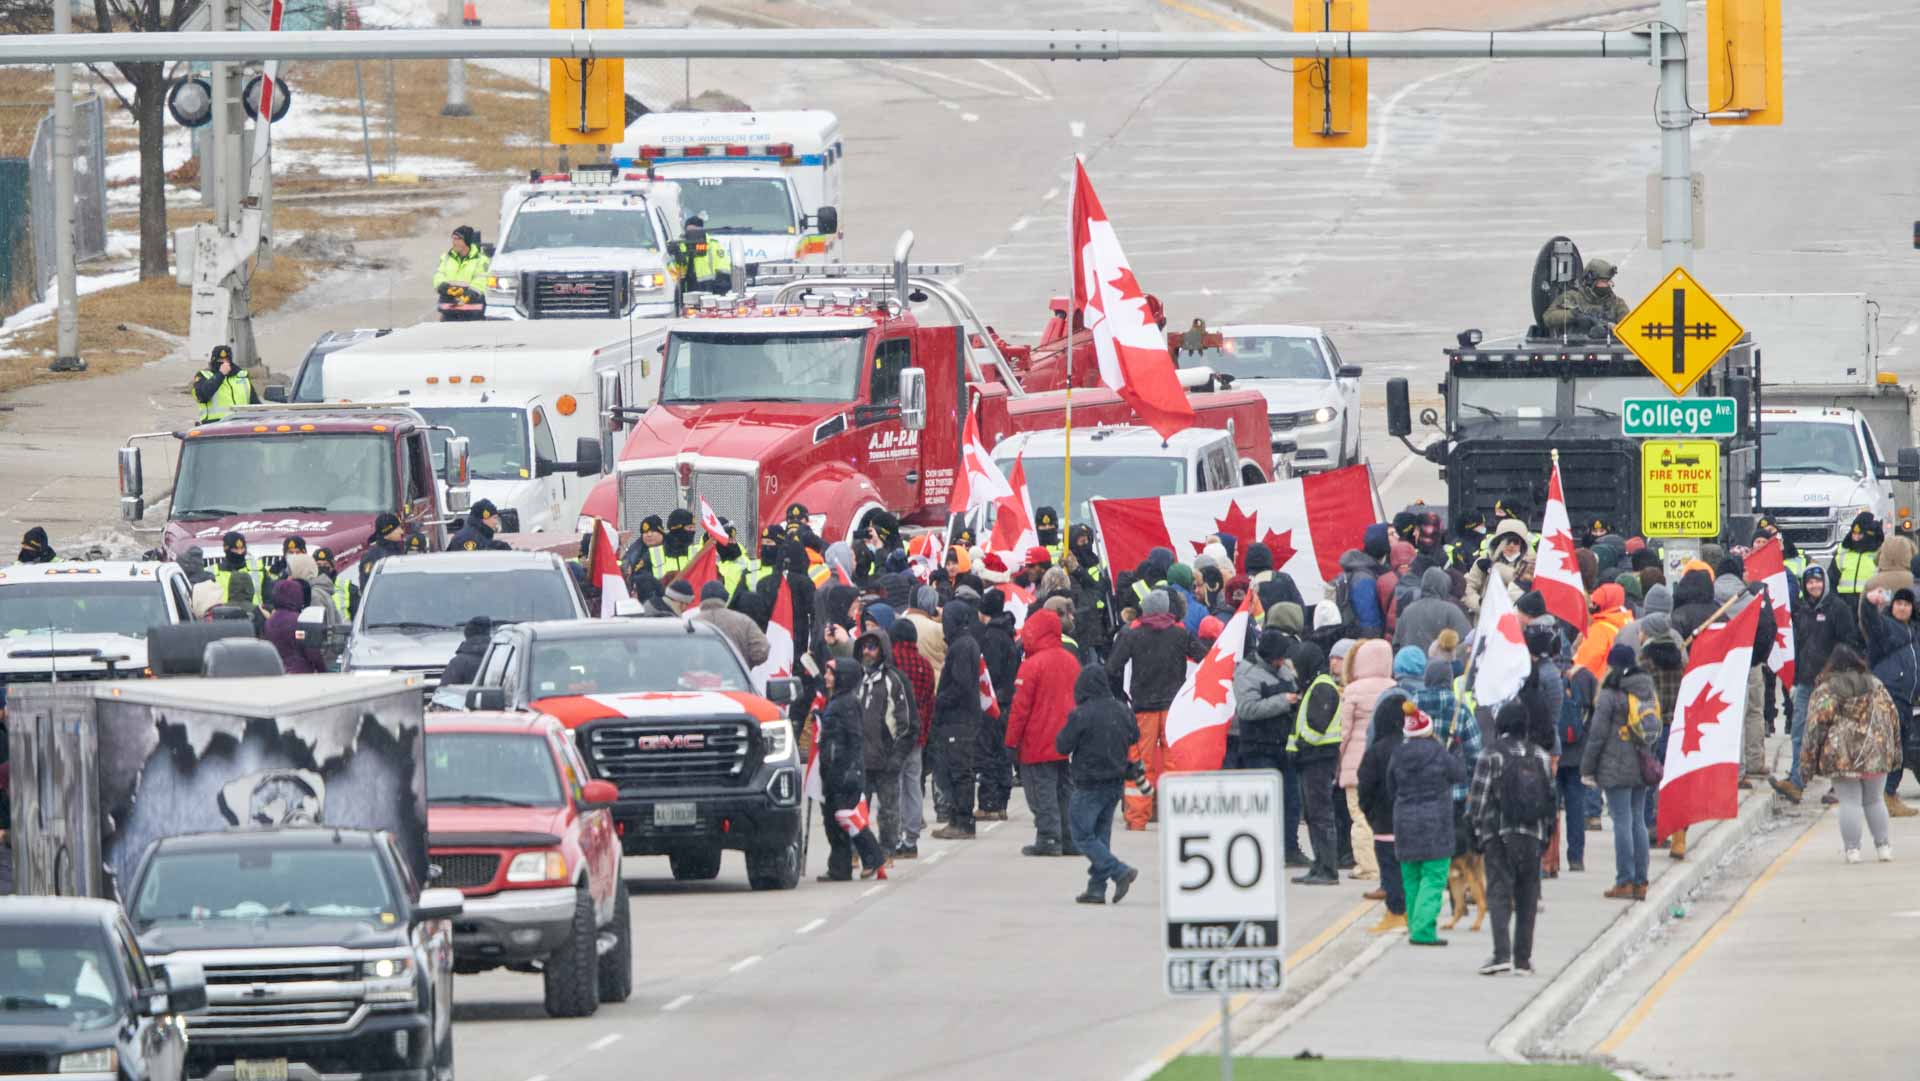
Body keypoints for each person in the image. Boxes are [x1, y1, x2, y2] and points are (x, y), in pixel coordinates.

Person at [1468, 701, 1557, 974]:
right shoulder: (1540, 755)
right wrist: (1546, 836)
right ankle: (1523, 959)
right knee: (1528, 896)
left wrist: (1476, 832)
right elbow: (1551, 799)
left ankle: (1501, 954)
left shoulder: (1491, 755)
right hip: (1533, 835)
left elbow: (1478, 800)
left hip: (1499, 835)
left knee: (1499, 892)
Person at [1107, 589, 1204, 830]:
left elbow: (1112, 667)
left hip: (1143, 708)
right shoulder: (1181, 633)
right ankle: (1178, 817)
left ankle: (1138, 818)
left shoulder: (1133, 634)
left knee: (1141, 764)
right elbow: (1205, 657)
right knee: (1174, 765)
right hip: (1174, 709)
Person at [1798, 645, 1902, 863]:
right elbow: (1892, 717)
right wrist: (1894, 753)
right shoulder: (1876, 685)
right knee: (1875, 800)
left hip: (1841, 754)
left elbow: (1814, 726)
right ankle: (1883, 847)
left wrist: (1807, 765)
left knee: (1849, 802)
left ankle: (1853, 850)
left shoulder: (1827, 690)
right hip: (1875, 750)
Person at [1774, 566, 1862, 803]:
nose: (1814, 586)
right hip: (1805, 682)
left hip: (1832, 683)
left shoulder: (1838, 609)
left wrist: (1832, 671)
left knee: (1832, 736)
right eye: (1809, 582)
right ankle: (1796, 781)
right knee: (1799, 732)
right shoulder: (1801, 611)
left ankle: (1840, 786)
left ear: (1825, 582)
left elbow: (1848, 643)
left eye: (1817, 581)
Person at [1056, 666, 1141, 904]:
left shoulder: (1081, 714)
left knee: (1081, 834)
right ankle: (1096, 888)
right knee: (1100, 837)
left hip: (1089, 783)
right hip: (1115, 782)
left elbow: (1062, 746)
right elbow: (1134, 735)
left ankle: (1119, 871)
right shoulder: (1122, 710)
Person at [1583, 645, 1662, 900]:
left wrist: (1588, 768)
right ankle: (1641, 881)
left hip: (1615, 764)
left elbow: (1596, 735)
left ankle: (1624, 880)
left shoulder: (1610, 694)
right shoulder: (1647, 689)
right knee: (1638, 819)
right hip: (1642, 761)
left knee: (1622, 822)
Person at [1392, 701, 1470, 946]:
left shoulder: (1398, 754)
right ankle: (1423, 930)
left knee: (1412, 878)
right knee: (1434, 878)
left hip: (1404, 822)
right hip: (1435, 823)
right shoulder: (1439, 752)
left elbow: (1390, 786)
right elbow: (1459, 774)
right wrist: (1454, 750)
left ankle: (1414, 923)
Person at [1005, 609, 1081, 856]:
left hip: (1038, 739)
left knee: (1041, 791)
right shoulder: (1071, 661)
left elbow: (1020, 708)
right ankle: (1068, 836)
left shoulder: (1031, 666)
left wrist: (1011, 742)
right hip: (1067, 739)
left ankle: (1048, 837)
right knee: (1064, 790)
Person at [816, 657, 888, 881]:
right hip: (834, 771)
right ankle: (840, 867)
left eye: (831, 673)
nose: (826, 677)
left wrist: (849, 769)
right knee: (833, 822)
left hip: (843, 772)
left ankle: (874, 857)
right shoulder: (838, 701)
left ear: (843, 677)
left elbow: (853, 739)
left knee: (845, 817)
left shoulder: (845, 703)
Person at [1337, 640, 1396, 883]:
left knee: (1359, 815)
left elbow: (1344, 731)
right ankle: (1385, 863)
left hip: (1355, 760)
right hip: (1386, 761)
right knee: (1383, 814)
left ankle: (1368, 867)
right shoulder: (1394, 687)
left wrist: (1337, 760)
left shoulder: (1353, 690)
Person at [1861, 586, 1920, 816]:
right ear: (1892, 606)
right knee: (1889, 747)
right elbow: (1869, 619)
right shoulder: (1885, 627)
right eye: (1898, 603)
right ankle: (1883, 794)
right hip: (1888, 695)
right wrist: (1869, 602)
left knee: (1901, 747)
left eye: (1906, 604)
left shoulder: (1914, 631)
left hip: (1907, 699)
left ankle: (1889, 794)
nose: (1902, 608)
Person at [854, 626, 913, 857]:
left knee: (888, 811)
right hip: (860, 760)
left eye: (873, 647)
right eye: (864, 647)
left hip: (886, 758)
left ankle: (887, 851)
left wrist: (897, 756)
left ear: (883, 650)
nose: (868, 652)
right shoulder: (856, 679)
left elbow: (906, 723)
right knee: (858, 810)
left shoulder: (894, 681)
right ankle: (856, 852)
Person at [1288, 641, 1344, 885]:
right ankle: (1319, 865)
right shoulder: (1313, 686)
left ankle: (1328, 869)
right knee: (1313, 815)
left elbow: (1314, 728)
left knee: (1321, 815)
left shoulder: (1322, 688)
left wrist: (1300, 746)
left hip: (1318, 760)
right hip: (1311, 760)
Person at [931, 599, 986, 839]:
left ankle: (963, 822)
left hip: (959, 719)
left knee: (959, 771)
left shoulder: (962, 646)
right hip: (959, 718)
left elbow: (962, 686)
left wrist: (940, 700)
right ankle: (957, 819)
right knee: (955, 770)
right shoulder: (963, 643)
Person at [1357, 687, 1408, 934]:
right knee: (1411, 870)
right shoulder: (1414, 746)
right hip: (1412, 821)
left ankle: (1396, 913)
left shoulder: (1376, 751)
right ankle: (1413, 913)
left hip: (1385, 823)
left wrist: (1371, 814)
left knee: (1389, 869)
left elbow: (1364, 787)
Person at [889, 618, 935, 859]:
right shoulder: (925, 666)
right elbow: (928, 703)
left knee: (892, 787)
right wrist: (923, 733)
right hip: (916, 736)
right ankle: (911, 838)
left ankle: (894, 836)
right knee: (913, 786)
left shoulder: (891, 663)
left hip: (893, 734)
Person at [975, 590, 1021, 820]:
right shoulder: (1007, 633)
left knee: (989, 753)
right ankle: (1001, 801)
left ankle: (989, 803)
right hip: (1008, 699)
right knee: (1003, 754)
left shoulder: (991, 636)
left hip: (994, 701)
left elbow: (989, 673)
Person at [1542, 257, 1629, 336]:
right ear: (1590, 281)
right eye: (1603, 281)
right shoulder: (1572, 297)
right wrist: (1573, 315)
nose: (1608, 285)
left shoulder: (1617, 303)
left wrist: (1611, 330)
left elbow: (1630, 329)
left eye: (1609, 281)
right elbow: (1548, 317)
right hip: (1574, 348)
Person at [692, 581, 770, 668]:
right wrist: (743, 664)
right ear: (725, 598)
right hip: (734, 678)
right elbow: (761, 650)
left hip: (697, 679)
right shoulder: (744, 621)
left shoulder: (691, 624)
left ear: (702, 599)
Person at [1394, 568, 1470, 651]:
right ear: (1444, 586)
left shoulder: (1407, 611)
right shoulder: (1451, 611)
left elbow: (1396, 643)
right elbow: (1467, 640)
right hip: (1439, 662)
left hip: (1412, 662)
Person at [262, 579, 324, 674]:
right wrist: (323, 669)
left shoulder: (269, 621)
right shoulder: (300, 621)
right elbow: (311, 650)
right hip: (300, 674)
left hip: (277, 672)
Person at [192, 344, 259, 423]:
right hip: (214, 426)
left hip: (242, 424)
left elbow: (256, 405)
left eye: (227, 360)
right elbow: (202, 396)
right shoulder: (203, 376)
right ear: (213, 360)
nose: (224, 363)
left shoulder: (242, 376)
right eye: (220, 361)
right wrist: (221, 374)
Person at [674, 217, 733, 295]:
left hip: (710, 289)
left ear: (701, 231)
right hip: (688, 289)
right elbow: (677, 270)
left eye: (695, 231)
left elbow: (724, 268)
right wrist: (676, 253)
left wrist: (721, 286)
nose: (691, 234)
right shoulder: (681, 245)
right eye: (689, 231)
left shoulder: (713, 244)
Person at [433, 225, 489, 296]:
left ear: (466, 241)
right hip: (447, 298)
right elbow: (439, 274)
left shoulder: (481, 260)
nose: (454, 242)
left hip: (472, 301)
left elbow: (482, 279)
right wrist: (442, 285)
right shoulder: (446, 257)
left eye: (457, 239)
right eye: (453, 239)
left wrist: (472, 292)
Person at [212, 531, 263, 606]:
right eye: (235, 549)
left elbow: (269, 599)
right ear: (226, 549)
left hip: (255, 614)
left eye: (242, 549)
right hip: (224, 616)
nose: (239, 553)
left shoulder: (258, 568)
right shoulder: (211, 574)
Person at [442, 616, 493, 686]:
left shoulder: (459, 663)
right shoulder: (503, 658)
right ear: (488, 632)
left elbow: (444, 692)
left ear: (467, 634)